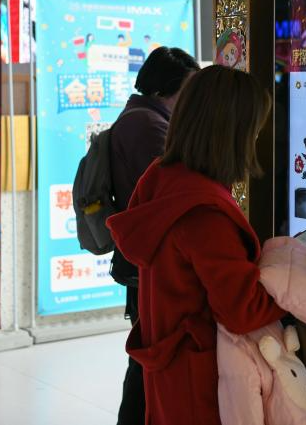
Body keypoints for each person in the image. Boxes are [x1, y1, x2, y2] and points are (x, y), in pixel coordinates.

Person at [108, 66, 287, 425]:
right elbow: (242, 310)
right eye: (254, 129)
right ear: (233, 133)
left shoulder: (163, 179)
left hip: (170, 376)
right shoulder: (203, 211)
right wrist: (292, 289)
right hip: (203, 387)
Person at [108, 47, 199, 425]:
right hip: (149, 259)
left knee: (147, 353)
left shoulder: (141, 117)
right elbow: (172, 190)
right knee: (149, 357)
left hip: (144, 257)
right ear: (166, 88)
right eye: (190, 90)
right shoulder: (149, 126)